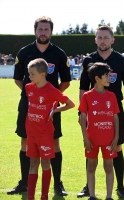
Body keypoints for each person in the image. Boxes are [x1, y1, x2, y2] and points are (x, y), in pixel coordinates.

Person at [9, 16, 71, 196]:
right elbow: (18, 79)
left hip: (50, 108)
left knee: (54, 143)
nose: (43, 33)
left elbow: (66, 81)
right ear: (35, 30)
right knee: (25, 142)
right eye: (40, 29)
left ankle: (58, 183)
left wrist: (50, 96)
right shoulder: (24, 52)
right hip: (28, 107)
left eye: (46, 29)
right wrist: (33, 95)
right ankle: (24, 182)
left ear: (51, 31)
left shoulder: (59, 54)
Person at [77, 25, 124, 199]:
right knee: (91, 147)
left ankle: (120, 186)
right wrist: (82, 114)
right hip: (93, 111)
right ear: (95, 40)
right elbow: (82, 88)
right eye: (99, 37)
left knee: (116, 147)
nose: (102, 41)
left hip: (114, 109)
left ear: (112, 40)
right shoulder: (88, 60)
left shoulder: (121, 60)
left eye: (106, 37)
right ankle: (89, 188)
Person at [25, 58, 75, 200]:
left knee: (45, 163)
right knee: (33, 163)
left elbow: (70, 104)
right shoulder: (29, 88)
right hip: (31, 132)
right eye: (29, 73)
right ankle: (30, 196)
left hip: (45, 133)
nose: (30, 76)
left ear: (43, 74)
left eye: (32, 74)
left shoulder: (52, 90)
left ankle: (44, 196)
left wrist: (54, 111)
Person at [79, 62, 120, 200]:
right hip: (92, 139)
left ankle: (109, 196)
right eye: (106, 76)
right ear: (97, 79)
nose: (109, 78)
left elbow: (116, 118)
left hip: (109, 139)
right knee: (91, 167)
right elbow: (82, 119)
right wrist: (85, 137)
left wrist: (116, 138)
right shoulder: (87, 96)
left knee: (109, 167)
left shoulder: (112, 96)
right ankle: (92, 195)